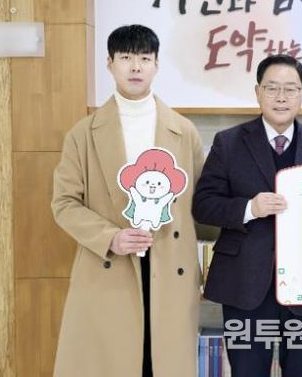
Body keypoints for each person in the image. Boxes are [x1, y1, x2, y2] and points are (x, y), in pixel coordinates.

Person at [51, 24, 204, 376]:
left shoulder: (184, 131)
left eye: (145, 58)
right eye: (126, 58)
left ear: (156, 65)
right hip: (110, 264)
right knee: (112, 362)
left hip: (170, 264)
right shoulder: (83, 134)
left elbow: (202, 203)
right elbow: (64, 203)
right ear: (110, 64)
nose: (136, 67)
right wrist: (111, 237)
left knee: (162, 362)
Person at [192, 54, 302, 377]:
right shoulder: (228, 143)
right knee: (247, 371)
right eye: (272, 88)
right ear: (257, 92)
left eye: (290, 89)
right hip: (244, 283)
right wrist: (250, 208)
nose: (281, 97)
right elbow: (202, 205)